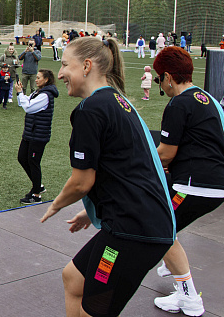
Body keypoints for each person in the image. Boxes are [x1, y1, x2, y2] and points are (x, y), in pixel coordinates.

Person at [41, 36, 175, 317]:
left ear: (87, 66)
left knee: (95, 310)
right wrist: (91, 213)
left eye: (66, 65)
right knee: (73, 278)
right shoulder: (115, 101)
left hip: (133, 232)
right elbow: (124, 167)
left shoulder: (91, 110)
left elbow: (81, 182)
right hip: (136, 224)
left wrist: (56, 204)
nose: (61, 72)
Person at [151, 46, 224, 316]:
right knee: (167, 228)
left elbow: (166, 154)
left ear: (167, 77)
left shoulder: (179, 104)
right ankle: (172, 270)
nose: (160, 85)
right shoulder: (205, 98)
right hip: (221, 184)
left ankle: (188, 298)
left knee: (159, 227)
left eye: (158, 80)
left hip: (195, 184)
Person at [14, 69, 58, 204]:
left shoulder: (45, 95)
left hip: (38, 135)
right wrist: (20, 93)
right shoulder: (38, 92)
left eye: (39, 78)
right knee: (22, 157)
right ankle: (38, 185)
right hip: (30, 133)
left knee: (33, 162)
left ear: (46, 80)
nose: (36, 79)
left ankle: (36, 194)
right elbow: (25, 102)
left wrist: (20, 93)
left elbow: (28, 107)